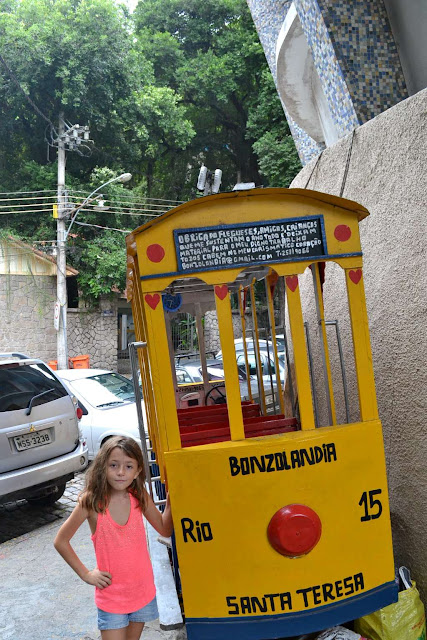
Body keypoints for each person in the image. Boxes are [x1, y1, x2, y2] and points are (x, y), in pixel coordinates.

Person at [54, 435, 173, 640]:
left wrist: (172, 502)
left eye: (128, 466)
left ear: (137, 471)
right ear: (102, 467)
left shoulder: (139, 495)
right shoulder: (92, 502)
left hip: (141, 591)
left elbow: (164, 529)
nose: (120, 472)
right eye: (114, 465)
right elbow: (61, 541)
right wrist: (86, 574)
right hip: (111, 597)